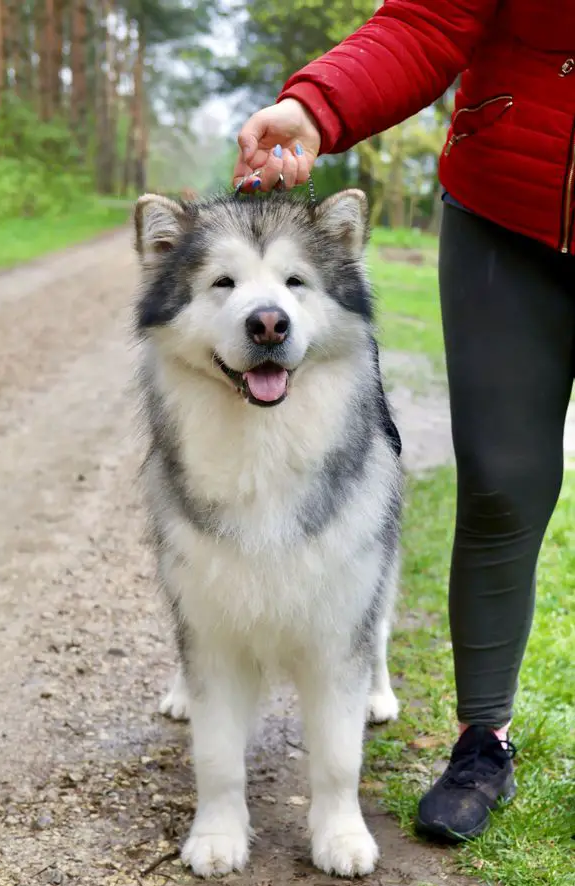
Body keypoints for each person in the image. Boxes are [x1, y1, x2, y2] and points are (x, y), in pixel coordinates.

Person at [233, 0, 575, 842]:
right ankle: (482, 740)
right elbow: (426, 21)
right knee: (500, 483)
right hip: (509, 213)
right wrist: (314, 107)